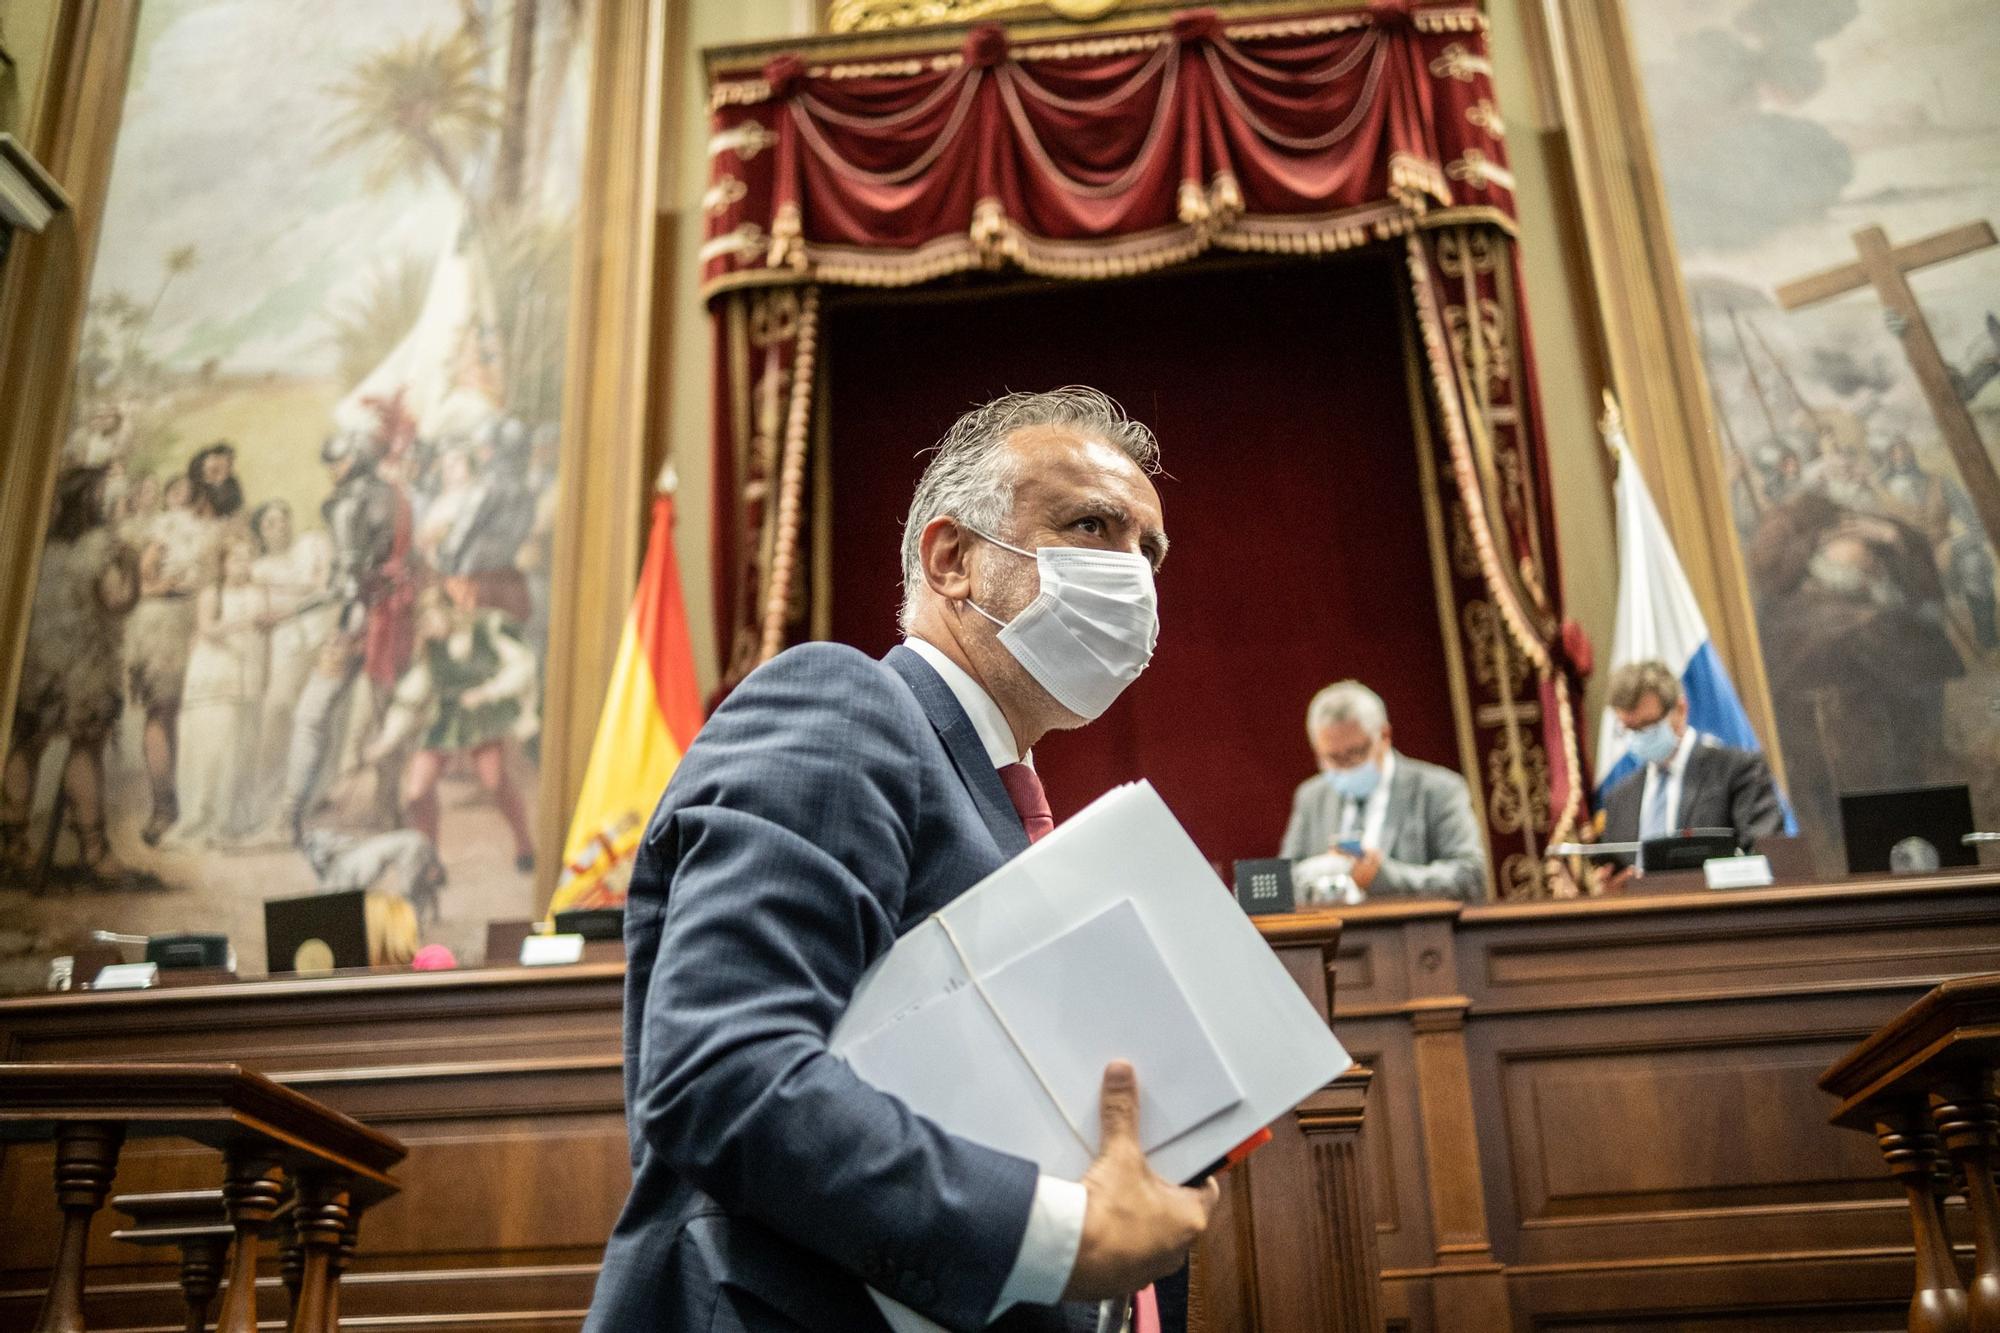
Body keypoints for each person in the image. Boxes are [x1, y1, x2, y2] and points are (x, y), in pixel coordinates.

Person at [586, 389, 1213, 1333]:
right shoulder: (844, 703)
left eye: (1148, 550)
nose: (1131, 574)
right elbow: (724, 1069)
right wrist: (1062, 1234)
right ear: (952, 559)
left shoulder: (1020, 814)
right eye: (1093, 525)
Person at [2, 468, 140, 879]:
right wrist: (131, 566)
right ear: (90, 500)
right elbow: (116, 600)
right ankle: (95, 853)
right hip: (84, 667)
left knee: (26, 744)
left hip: (37, 663)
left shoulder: (39, 545)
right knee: (86, 749)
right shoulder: (98, 547)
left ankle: (14, 847)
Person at [1278, 681, 1486, 901]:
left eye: (1356, 753)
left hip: (1410, 933)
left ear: (1384, 735)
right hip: (1332, 931)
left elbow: (1470, 877)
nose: (1345, 766)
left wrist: (1384, 878)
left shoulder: (1439, 790)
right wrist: (1321, 874)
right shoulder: (1311, 796)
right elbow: (1283, 882)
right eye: (1332, 758)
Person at [1596, 660, 1783, 877]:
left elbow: (1767, 861)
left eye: (1647, 726)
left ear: (1680, 709)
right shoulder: (1618, 798)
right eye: (1630, 729)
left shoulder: (1738, 770)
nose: (1638, 738)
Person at [165, 536, 270, 848]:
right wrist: (241, 623)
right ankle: (200, 819)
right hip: (215, 674)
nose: (242, 564)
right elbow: (207, 628)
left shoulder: (258, 592)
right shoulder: (213, 592)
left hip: (247, 674)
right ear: (223, 563)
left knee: (240, 748)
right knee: (211, 748)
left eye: (248, 557)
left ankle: (230, 822)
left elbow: (264, 630)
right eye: (235, 558)